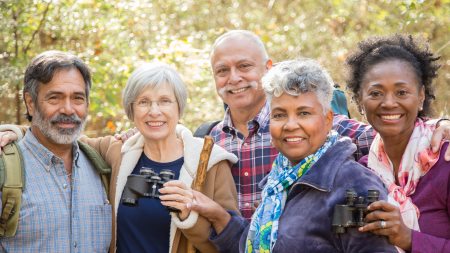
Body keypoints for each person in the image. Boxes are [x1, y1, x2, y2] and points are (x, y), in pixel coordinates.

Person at [204, 30, 450, 220]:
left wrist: (438, 124)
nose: (234, 78)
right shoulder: (210, 141)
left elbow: (392, 130)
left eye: (244, 66)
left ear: (268, 69)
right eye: (222, 70)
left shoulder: (319, 127)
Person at [0, 62, 240, 253]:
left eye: (165, 101)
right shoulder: (117, 152)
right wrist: (15, 131)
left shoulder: (210, 164)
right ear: (131, 110)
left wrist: (190, 219)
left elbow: (233, 245)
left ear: (179, 107)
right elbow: (60, 134)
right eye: (144, 102)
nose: (154, 111)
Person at [178, 59, 398, 252]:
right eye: (280, 115)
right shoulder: (278, 183)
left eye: (304, 113)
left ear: (328, 119)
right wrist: (219, 216)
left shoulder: (354, 186)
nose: (291, 125)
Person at [343, 33, 450, 252]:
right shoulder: (362, 172)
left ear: (420, 97)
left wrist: (408, 239)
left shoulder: (445, 162)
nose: (389, 103)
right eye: (376, 93)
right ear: (360, 102)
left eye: (401, 92)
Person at [0, 51, 111, 252]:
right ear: (31, 103)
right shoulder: (4, 169)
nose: (68, 109)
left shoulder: (102, 167)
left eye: (78, 98)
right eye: (55, 98)